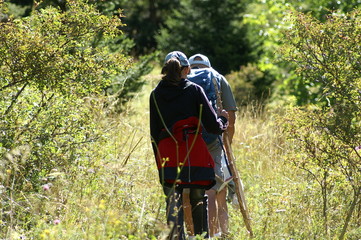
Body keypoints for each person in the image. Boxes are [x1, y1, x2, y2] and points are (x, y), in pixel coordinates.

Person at [149, 51, 229, 239]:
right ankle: (201, 237)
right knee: (197, 199)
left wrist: (160, 165)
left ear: (165, 70)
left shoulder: (155, 95)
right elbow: (213, 126)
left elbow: (154, 134)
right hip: (194, 152)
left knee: (172, 202)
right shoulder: (194, 90)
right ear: (186, 69)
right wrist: (223, 121)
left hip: (168, 155)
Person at [185, 54, 238, 238]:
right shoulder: (217, 77)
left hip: (188, 143)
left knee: (189, 191)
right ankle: (214, 234)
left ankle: (193, 235)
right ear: (208, 65)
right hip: (213, 141)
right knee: (213, 191)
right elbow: (230, 118)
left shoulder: (184, 78)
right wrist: (227, 145)